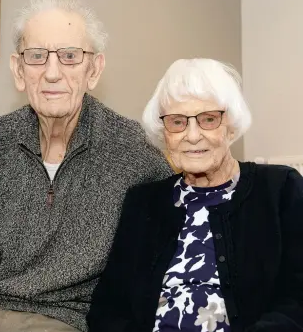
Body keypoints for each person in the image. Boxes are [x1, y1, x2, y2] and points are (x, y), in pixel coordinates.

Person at [0, 0, 173, 331]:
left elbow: (177, 236)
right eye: (36, 56)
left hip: (61, 321)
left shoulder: (132, 149)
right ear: (18, 71)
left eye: (69, 56)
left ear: (94, 70)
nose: (52, 73)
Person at [87, 58, 303, 332]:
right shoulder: (143, 203)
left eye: (208, 119)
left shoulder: (280, 189)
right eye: (177, 122)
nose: (192, 135)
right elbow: (109, 307)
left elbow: (297, 299)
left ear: (231, 125)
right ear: (164, 133)